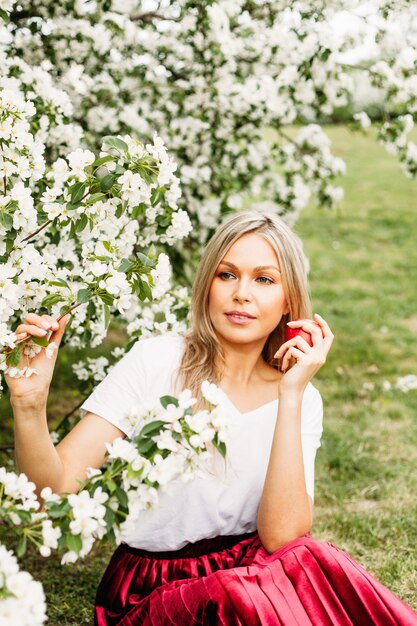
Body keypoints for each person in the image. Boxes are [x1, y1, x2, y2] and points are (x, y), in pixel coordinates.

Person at [7, 211, 417, 625]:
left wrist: (290, 396)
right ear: (207, 286)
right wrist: (29, 404)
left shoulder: (301, 396)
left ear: (289, 300)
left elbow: (283, 537)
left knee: (314, 558)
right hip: (156, 583)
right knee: (234, 594)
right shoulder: (157, 362)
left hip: (253, 570)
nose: (242, 293)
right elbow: (53, 490)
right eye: (227, 275)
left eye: (264, 279)